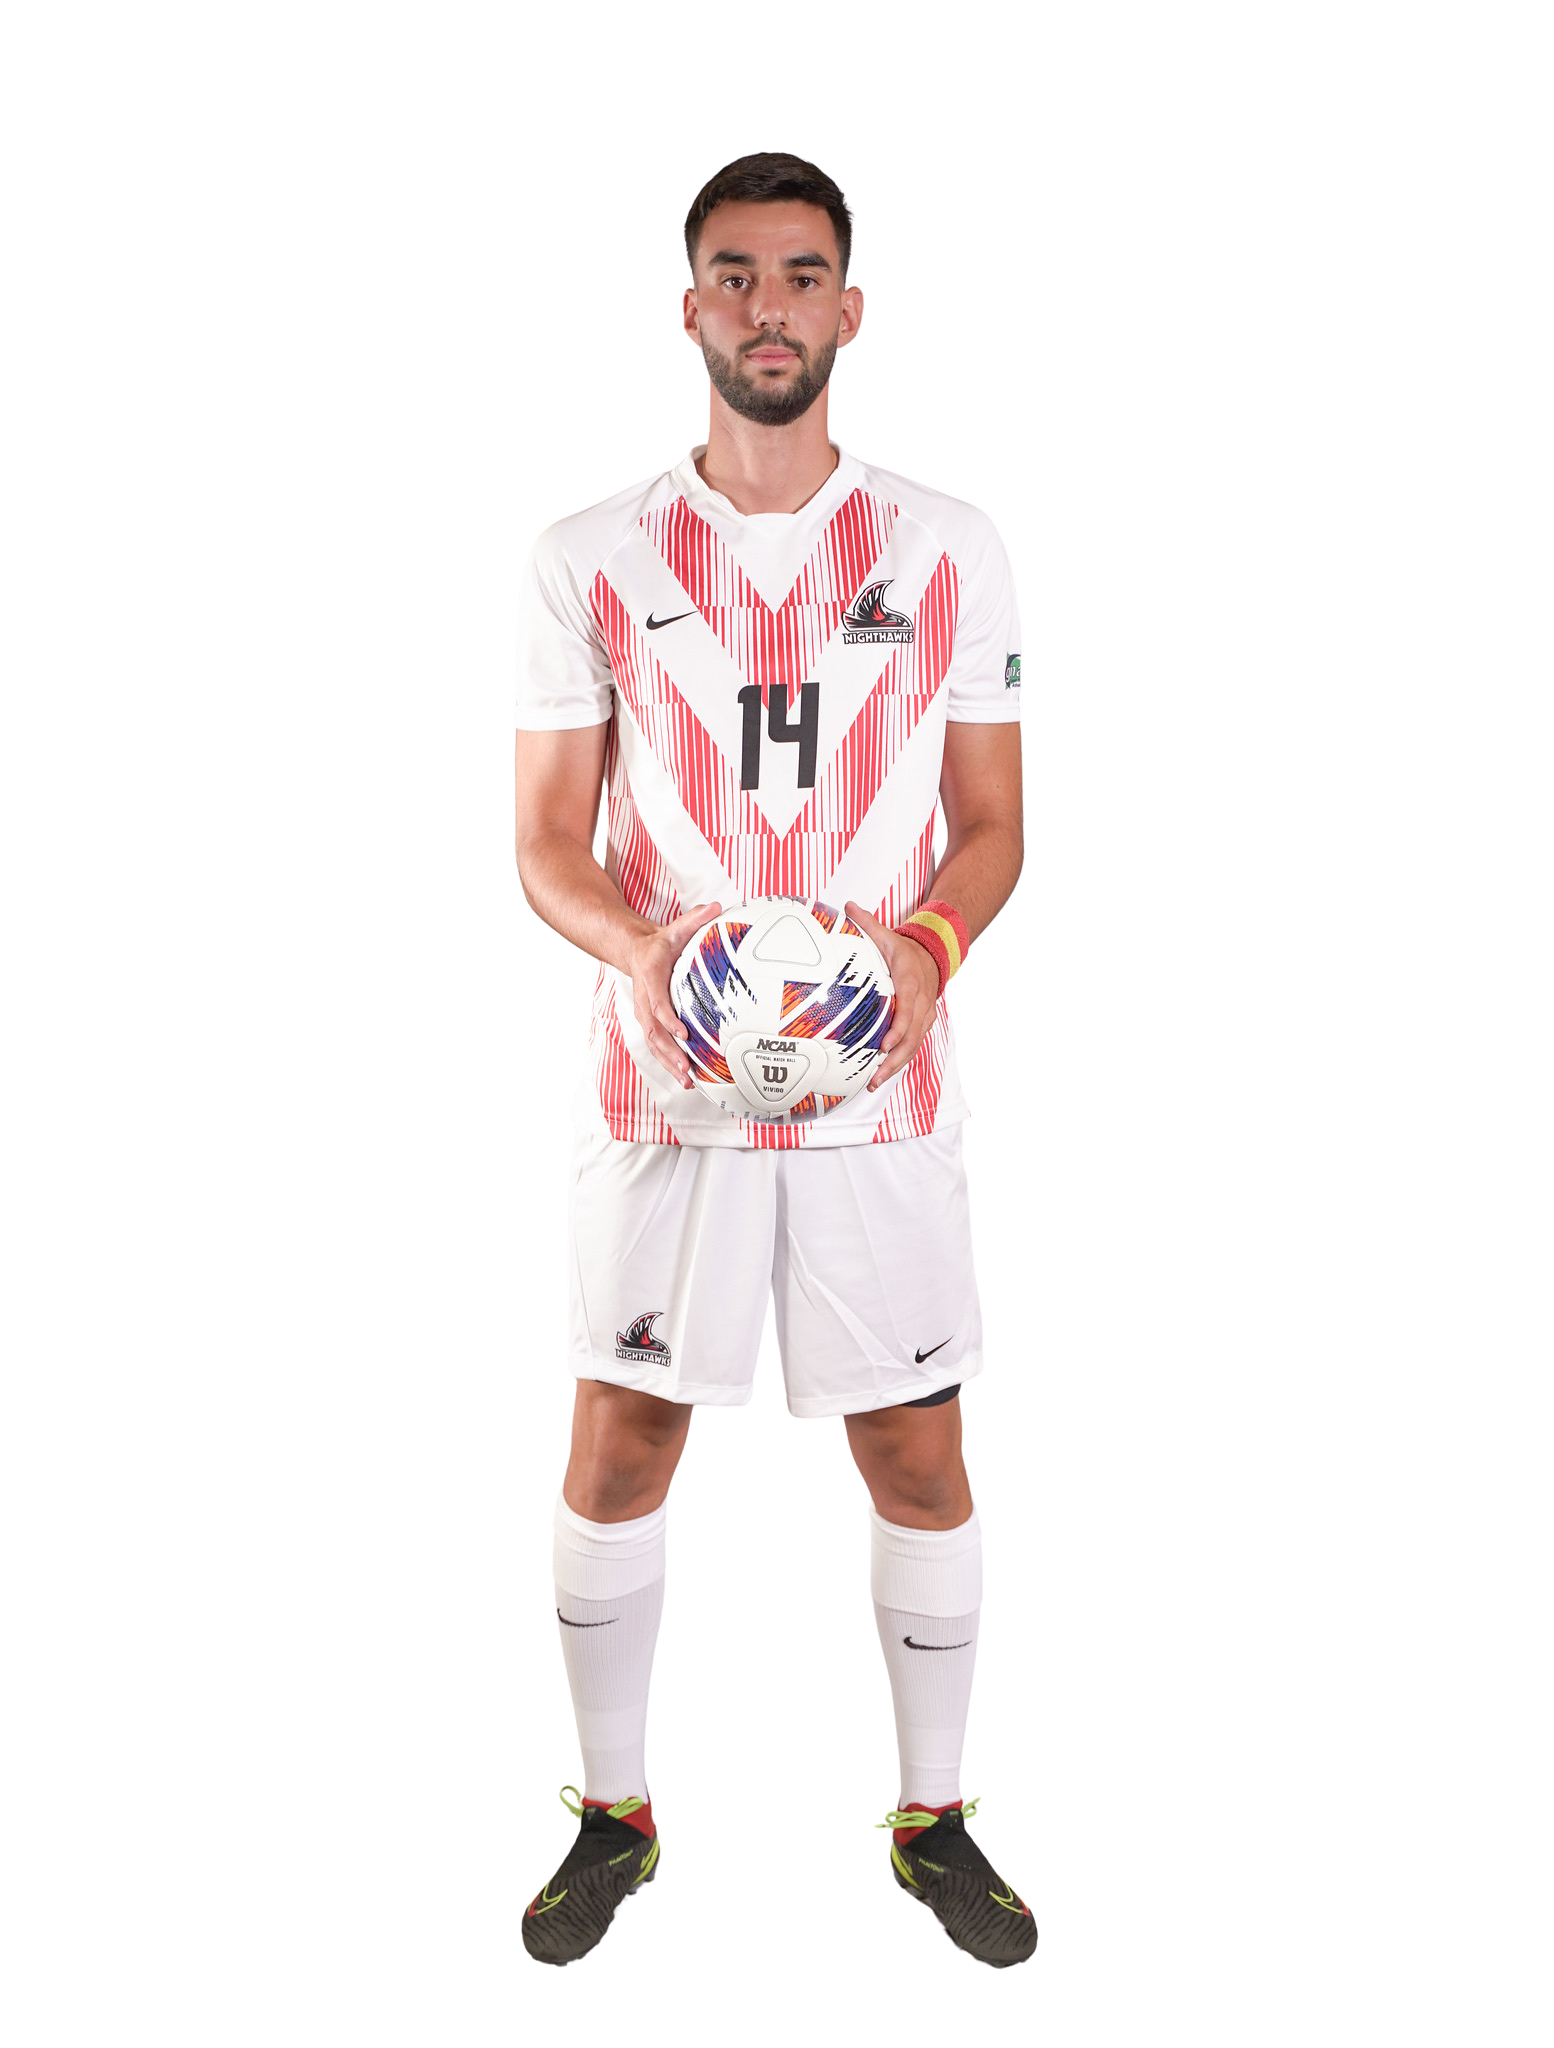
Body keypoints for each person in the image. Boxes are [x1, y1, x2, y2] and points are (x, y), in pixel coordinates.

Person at [513, 152, 1030, 1971]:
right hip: (665, 1084)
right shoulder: (585, 556)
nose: (766, 308)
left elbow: (990, 828)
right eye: (731, 277)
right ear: (689, 313)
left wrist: (919, 949)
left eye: (799, 277)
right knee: (622, 1434)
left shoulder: (947, 545)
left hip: (880, 1088)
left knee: (910, 1446)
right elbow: (546, 849)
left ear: (848, 314)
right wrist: (648, 949)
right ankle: (611, 1812)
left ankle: (932, 1812)